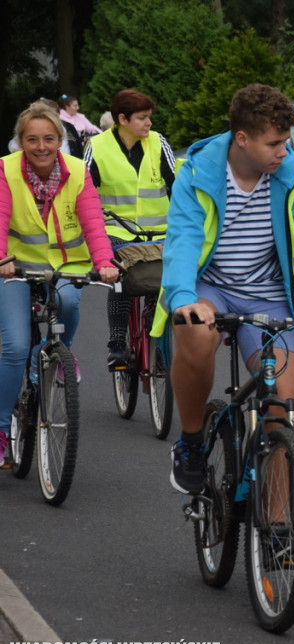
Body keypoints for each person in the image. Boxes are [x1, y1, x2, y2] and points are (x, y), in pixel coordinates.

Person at [153, 84, 294, 495]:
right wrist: (182, 298)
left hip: (268, 293)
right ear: (242, 139)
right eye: (275, 143)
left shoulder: (293, 176)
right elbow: (183, 241)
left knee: (280, 409)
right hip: (209, 286)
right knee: (193, 334)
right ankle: (192, 442)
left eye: (287, 141)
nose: (284, 152)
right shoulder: (198, 172)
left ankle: (279, 534)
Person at [0, 102, 119, 466]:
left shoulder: (77, 171)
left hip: (68, 264)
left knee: (68, 304)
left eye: (49, 139)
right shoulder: (6, 171)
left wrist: (104, 263)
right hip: (15, 268)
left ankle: (59, 353)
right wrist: (2, 260)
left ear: (60, 139)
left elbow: (93, 224)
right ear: (20, 142)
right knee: (16, 346)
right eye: (32, 139)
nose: (41, 146)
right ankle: (2, 430)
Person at [84, 88, 177, 369]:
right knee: (121, 278)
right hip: (117, 230)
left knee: (162, 279)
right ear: (122, 119)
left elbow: (177, 187)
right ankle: (116, 342)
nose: (149, 123)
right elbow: (83, 191)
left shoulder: (159, 143)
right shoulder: (97, 146)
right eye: (142, 118)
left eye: (149, 117)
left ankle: (157, 338)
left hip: (159, 231)